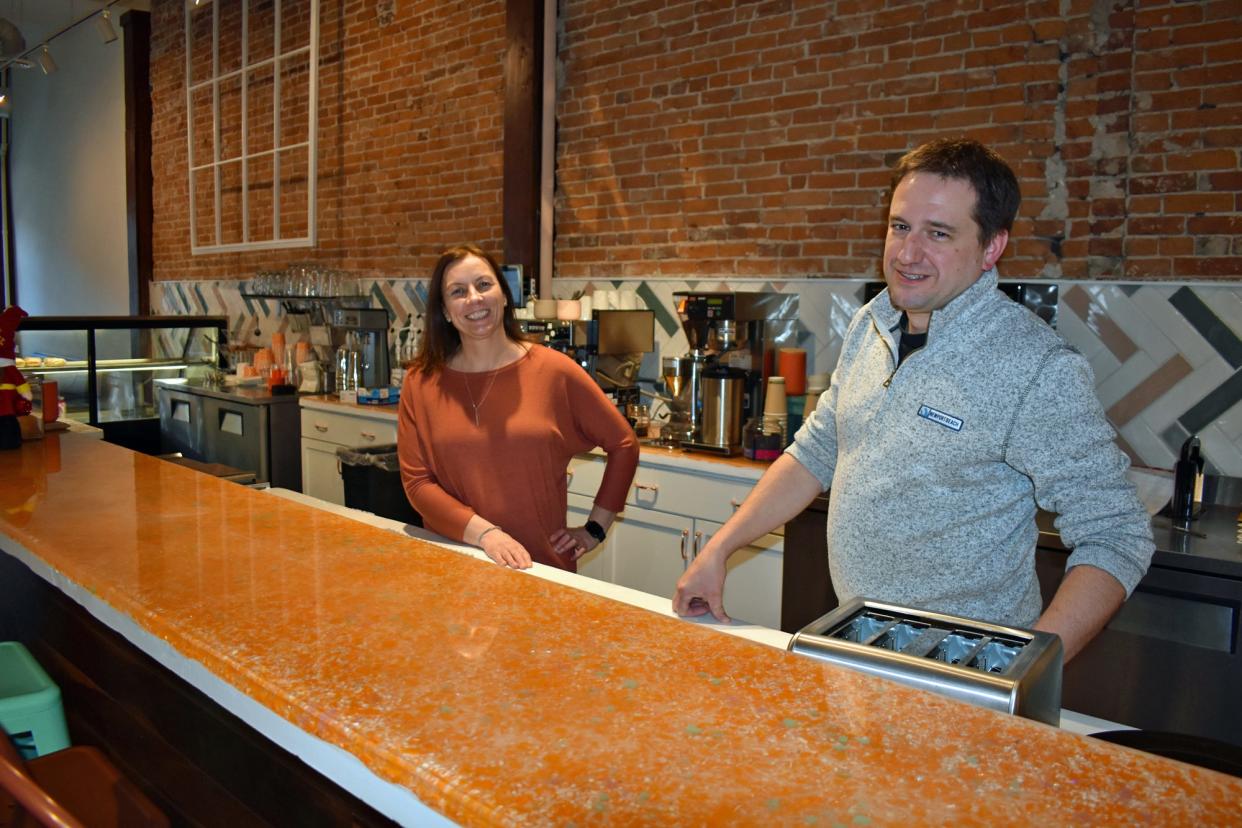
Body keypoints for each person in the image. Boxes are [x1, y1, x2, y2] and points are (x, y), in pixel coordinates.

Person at [673, 139, 1154, 662]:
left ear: (992, 247)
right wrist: (720, 548)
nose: (907, 253)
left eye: (938, 234)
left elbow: (1117, 534)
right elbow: (815, 453)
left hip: (967, 670)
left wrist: (1026, 671)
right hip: (858, 643)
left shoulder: (1037, 366)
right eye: (900, 226)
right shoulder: (870, 324)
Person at [398, 243, 639, 571]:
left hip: (539, 567)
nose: (475, 298)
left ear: (504, 295)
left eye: (484, 285)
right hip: (454, 562)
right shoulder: (421, 382)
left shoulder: (554, 370)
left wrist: (596, 527)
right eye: (458, 291)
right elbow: (417, 484)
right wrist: (487, 535)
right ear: (444, 310)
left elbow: (624, 444)